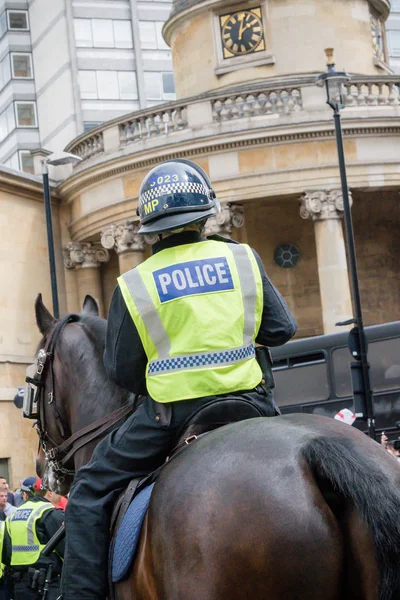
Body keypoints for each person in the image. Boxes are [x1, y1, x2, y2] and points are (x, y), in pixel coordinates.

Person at [62, 159, 297, 599]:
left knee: (88, 492)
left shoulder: (134, 284)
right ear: (206, 214)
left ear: (151, 230)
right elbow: (282, 329)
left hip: (170, 417)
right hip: (253, 404)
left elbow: (124, 373)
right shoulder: (241, 257)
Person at [3, 477, 65, 599]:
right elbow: (66, 551)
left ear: (25, 495)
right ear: (48, 492)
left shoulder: (12, 516)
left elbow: (6, 556)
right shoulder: (49, 513)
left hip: (20, 586)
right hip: (47, 585)